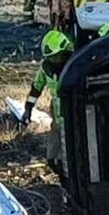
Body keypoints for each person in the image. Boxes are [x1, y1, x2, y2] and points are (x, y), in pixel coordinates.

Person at [21, 29, 73, 175]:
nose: (53, 61)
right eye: (50, 57)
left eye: (55, 57)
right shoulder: (46, 68)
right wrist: (28, 109)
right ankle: (56, 167)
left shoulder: (74, 66)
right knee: (53, 154)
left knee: (72, 154)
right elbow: (36, 87)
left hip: (73, 116)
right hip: (57, 115)